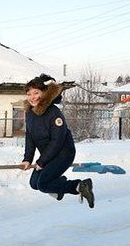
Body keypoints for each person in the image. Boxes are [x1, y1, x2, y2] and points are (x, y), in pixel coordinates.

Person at [21, 74, 94, 208]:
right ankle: (59, 189)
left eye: (36, 93)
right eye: (29, 93)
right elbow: (30, 137)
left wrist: (42, 162)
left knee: (43, 184)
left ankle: (80, 185)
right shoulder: (29, 113)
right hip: (48, 154)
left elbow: (57, 140)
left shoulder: (53, 113)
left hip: (63, 153)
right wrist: (27, 159)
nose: (32, 97)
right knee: (34, 184)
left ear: (44, 93)